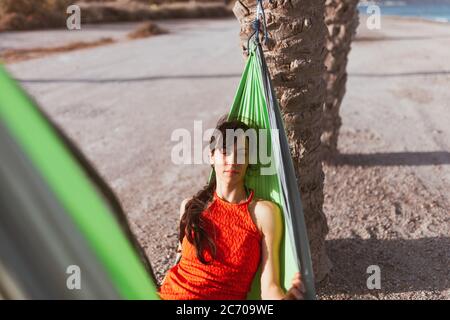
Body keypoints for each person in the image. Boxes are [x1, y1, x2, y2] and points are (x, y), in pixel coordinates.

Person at [158, 117, 305, 300]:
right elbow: (180, 263)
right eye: (225, 151)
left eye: (242, 153)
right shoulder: (190, 207)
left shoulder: (263, 213)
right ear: (211, 156)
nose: (233, 160)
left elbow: (269, 287)